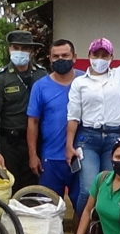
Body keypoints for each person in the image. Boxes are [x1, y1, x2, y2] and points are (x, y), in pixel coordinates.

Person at [67, 36, 120, 216]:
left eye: (105, 55)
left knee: (110, 188)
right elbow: (73, 116)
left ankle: (102, 231)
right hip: (88, 139)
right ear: (89, 55)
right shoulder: (80, 83)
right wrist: (69, 145)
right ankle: (80, 231)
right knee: (88, 188)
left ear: (112, 57)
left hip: (113, 139)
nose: (100, 59)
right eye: (96, 54)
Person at [0, 30, 46, 191]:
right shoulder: (0, 78)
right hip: (9, 144)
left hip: (34, 143)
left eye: (25, 48)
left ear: (31, 52)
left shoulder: (42, 75)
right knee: (9, 188)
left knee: (31, 189)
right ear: (9, 49)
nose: (20, 52)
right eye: (15, 47)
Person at [27, 39, 83, 210]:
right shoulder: (40, 87)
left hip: (81, 158)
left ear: (74, 57)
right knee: (46, 209)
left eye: (65, 55)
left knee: (83, 208)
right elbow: (32, 122)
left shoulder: (86, 81)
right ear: (50, 59)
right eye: (56, 56)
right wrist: (32, 155)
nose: (60, 59)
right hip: (50, 159)